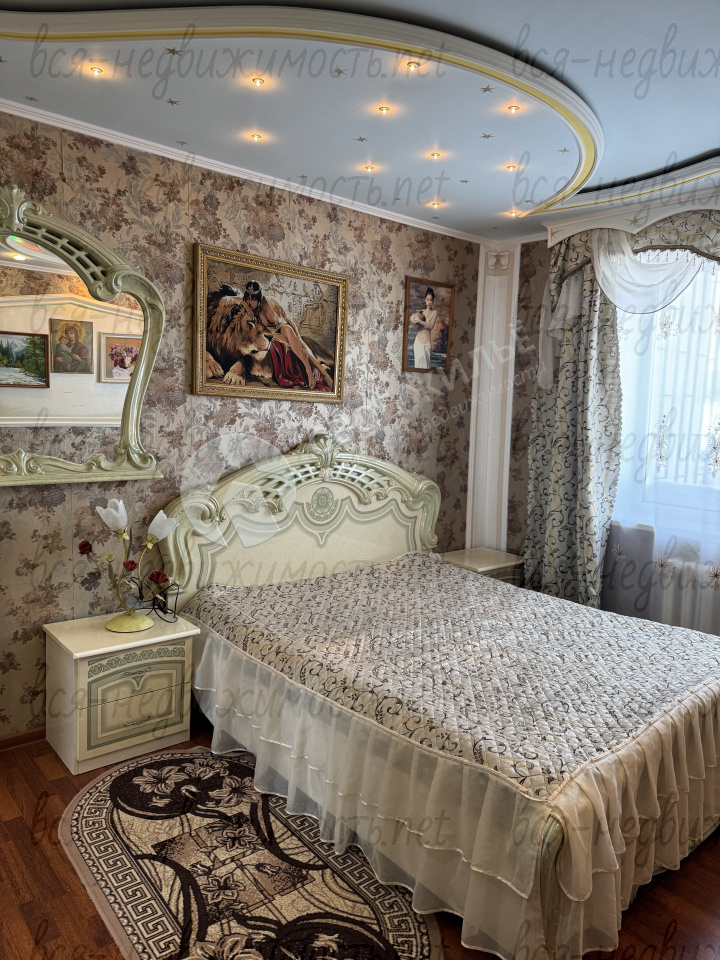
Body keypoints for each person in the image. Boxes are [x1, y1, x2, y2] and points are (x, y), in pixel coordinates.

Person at [243, 280, 333, 391]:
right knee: (293, 341)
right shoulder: (250, 311)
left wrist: (300, 340)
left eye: (254, 299)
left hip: (284, 329)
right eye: (248, 298)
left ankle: (316, 371)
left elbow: (289, 320)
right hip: (273, 334)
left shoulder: (269, 304)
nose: (250, 302)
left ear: (259, 298)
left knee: (291, 333)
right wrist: (245, 306)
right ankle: (314, 370)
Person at [410, 287, 437, 370]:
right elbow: (413, 319)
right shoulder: (421, 312)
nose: (429, 302)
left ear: (433, 301)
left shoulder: (434, 312)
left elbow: (430, 326)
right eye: (427, 299)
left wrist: (420, 321)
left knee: (426, 369)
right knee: (417, 368)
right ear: (425, 300)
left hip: (426, 344)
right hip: (418, 342)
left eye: (431, 300)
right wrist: (412, 318)